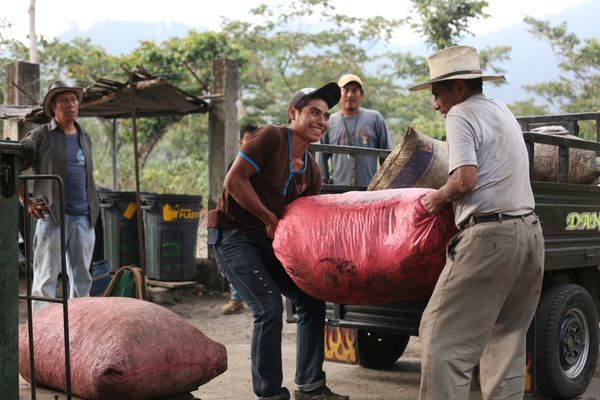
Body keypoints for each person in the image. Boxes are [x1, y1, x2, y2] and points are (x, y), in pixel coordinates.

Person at [409, 46, 544, 400]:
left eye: (437, 94)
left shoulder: (460, 114)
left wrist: (437, 198)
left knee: (441, 339)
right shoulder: (501, 109)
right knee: (505, 343)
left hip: (490, 239)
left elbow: (465, 180)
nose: (435, 104)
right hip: (530, 234)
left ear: (458, 87)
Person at [207, 82, 349, 400]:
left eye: (326, 116)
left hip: (269, 244)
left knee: (311, 298)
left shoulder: (312, 172)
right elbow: (234, 180)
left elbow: (303, 220)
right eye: (314, 112)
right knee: (268, 307)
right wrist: (268, 218)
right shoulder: (270, 137)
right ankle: (270, 394)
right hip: (234, 235)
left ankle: (310, 385)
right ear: (293, 113)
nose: (321, 120)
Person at [19, 80, 99, 311]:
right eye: (64, 100)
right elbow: (12, 165)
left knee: (82, 282)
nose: (71, 104)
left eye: (74, 100)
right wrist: (26, 201)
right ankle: (41, 330)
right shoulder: (40, 136)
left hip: (84, 217)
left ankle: (77, 327)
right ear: (53, 106)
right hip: (52, 216)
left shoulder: (84, 136)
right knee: (45, 279)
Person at [317, 73, 391, 186]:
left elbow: (386, 156)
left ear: (361, 94)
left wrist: (386, 184)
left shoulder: (375, 118)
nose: (350, 94)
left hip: (369, 189)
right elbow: (321, 156)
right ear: (339, 95)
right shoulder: (329, 121)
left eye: (354, 90)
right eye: (345, 90)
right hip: (338, 190)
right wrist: (323, 183)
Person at [221, 123, 258, 315]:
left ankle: (242, 299)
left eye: (255, 141)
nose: (251, 145)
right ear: (239, 142)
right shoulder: (236, 164)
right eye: (247, 141)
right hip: (238, 221)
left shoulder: (263, 164)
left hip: (256, 220)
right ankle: (236, 299)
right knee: (237, 261)